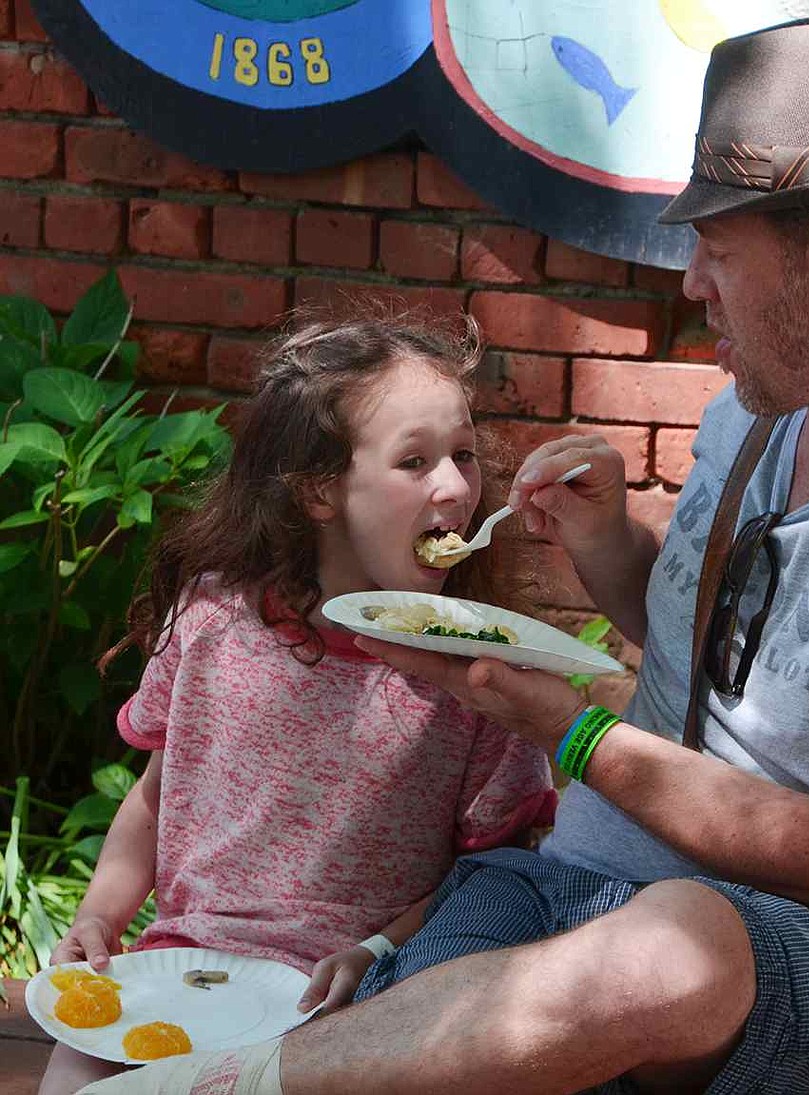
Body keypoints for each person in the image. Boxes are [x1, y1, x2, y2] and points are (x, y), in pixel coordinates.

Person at [80, 17, 809, 1095]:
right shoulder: (750, 420)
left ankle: (207, 1091)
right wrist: (612, 547)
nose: (693, 282)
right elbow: (722, 667)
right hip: (563, 888)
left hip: (805, 965)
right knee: (425, 1000)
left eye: (721, 248)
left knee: (681, 944)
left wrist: (570, 730)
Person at [40, 312, 556, 1095]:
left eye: (462, 455)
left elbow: (494, 873)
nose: (455, 484)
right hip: (179, 979)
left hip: (353, 1004)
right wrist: (100, 918)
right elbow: (152, 799)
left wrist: (381, 950)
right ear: (321, 488)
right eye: (414, 461)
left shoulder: (479, 680)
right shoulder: (213, 618)